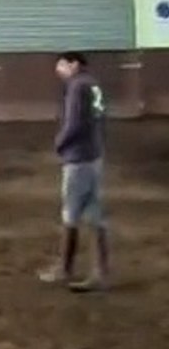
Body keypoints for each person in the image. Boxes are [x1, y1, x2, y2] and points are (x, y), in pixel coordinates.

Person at [38, 51, 110, 291]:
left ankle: (64, 268)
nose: (58, 70)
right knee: (95, 214)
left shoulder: (77, 87)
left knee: (70, 214)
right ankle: (100, 272)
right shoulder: (93, 84)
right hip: (94, 155)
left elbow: (74, 124)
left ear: (73, 64)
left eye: (61, 65)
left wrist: (59, 143)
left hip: (78, 158)